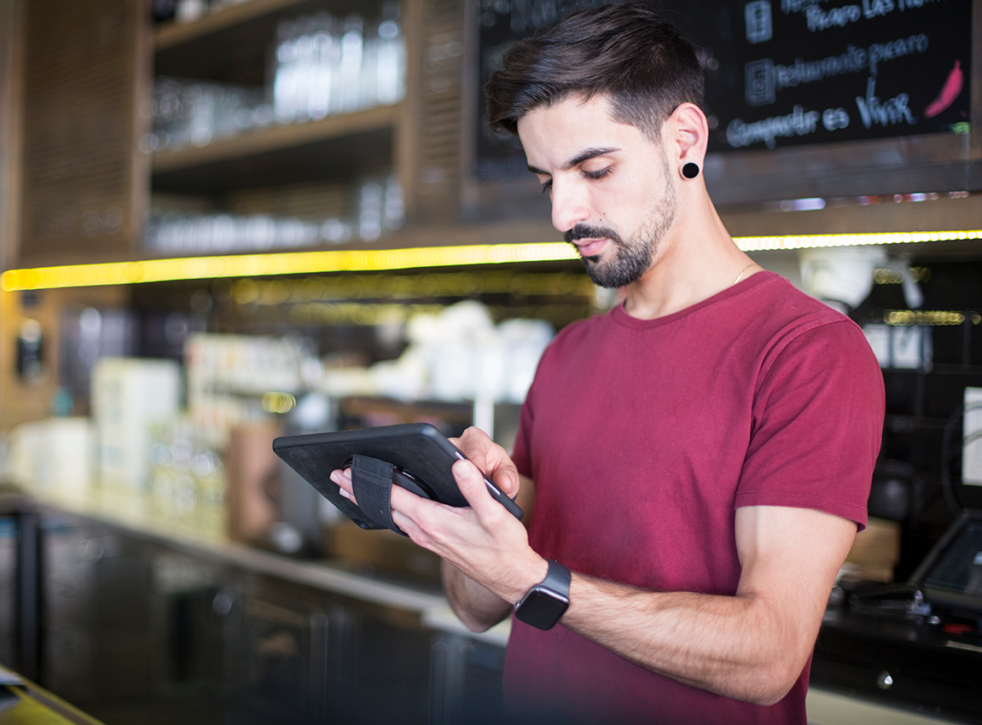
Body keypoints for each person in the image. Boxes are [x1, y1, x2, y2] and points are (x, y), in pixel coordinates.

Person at [332, 4, 885, 723]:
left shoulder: (808, 351)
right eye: (545, 181)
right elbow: (475, 607)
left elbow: (769, 653)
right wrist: (465, 508)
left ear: (683, 137)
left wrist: (540, 579)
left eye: (593, 169)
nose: (564, 213)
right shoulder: (565, 356)